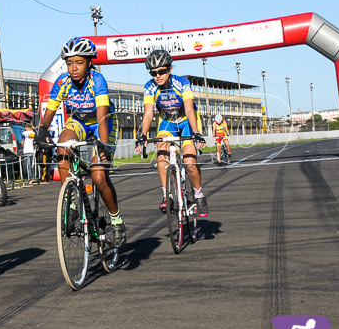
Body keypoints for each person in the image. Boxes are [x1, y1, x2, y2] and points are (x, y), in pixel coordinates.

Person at [35, 37, 126, 245]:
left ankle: (117, 219)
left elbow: (102, 118)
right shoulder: (62, 82)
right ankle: (72, 197)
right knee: (62, 147)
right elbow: (49, 114)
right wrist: (41, 129)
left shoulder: (97, 81)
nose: (73, 68)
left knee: (99, 175)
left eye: (79, 62)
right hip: (79, 122)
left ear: (89, 62)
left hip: (103, 122)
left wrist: (102, 145)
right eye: (69, 63)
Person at [134, 49, 209, 217]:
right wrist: (142, 135)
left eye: (161, 71)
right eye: (153, 73)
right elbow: (148, 113)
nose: (157, 76)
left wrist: (195, 132)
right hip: (167, 121)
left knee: (189, 162)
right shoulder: (150, 86)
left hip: (186, 120)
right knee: (161, 153)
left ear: (170, 70)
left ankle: (199, 194)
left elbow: (189, 109)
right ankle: (167, 194)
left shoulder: (182, 83)